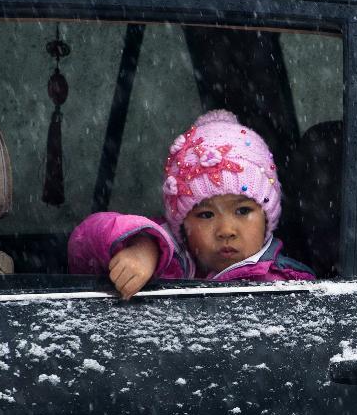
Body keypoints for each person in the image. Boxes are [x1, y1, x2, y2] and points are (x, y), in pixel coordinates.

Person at [68, 109, 316, 298]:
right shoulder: (169, 261)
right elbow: (84, 240)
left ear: (267, 218)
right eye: (206, 215)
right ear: (182, 225)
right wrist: (145, 246)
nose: (226, 230)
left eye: (243, 210)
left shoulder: (288, 286)